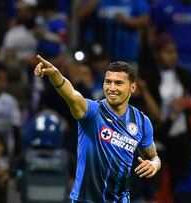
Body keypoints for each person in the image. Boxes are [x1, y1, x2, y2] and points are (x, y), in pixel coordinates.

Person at [33, 55, 161, 202]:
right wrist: (55, 74)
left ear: (132, 87)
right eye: (108, 82)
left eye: (118, 83)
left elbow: (154, 156)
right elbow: (72, 96)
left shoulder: (142, 122)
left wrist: (154, 164)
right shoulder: (92, 112)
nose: (112, 88)